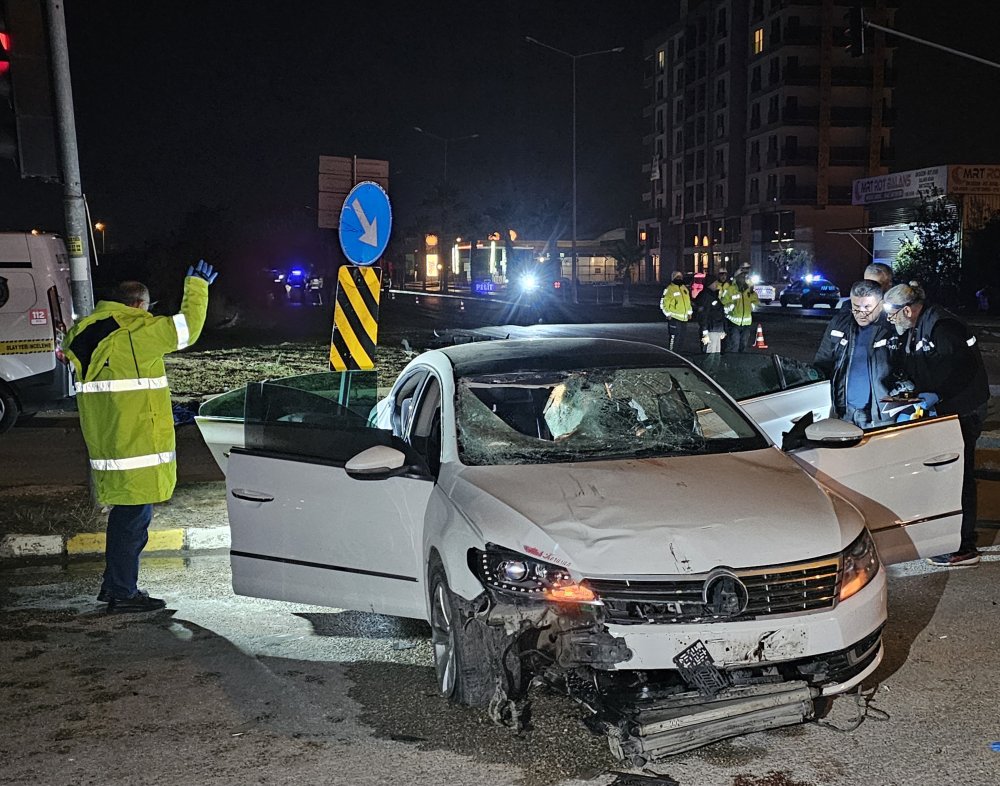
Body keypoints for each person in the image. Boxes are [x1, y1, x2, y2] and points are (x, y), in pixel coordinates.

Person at [64, 261, 217, 611]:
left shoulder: (85, 331)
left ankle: (117, 586)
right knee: (132, 522)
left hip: (110, 439)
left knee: (129, 517)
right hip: (136, 443)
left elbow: (125, 386)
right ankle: (121, 591)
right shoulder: (132, 331)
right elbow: (186, 330)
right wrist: (196, 286)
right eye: (147, 309)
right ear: (138, 305)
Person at [883, 283, 989, 567]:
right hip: (945, 409)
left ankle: (964, 547)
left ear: (907, 310)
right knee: (943, 476)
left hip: (962, 411)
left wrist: (937, 396)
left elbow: (961, 369)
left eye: (892, 315)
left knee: (958, 478)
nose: (890, 321)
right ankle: (949, 537)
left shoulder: (942, 327)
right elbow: (922, 365)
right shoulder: (920, 326)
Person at [813, 279, 894, 427]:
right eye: (856, 307)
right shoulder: (840, 324)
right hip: (844, 412)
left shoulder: (891, 329)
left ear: (881, 305)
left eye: (867, 307)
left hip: (879, 416)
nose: (861, 313)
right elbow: (823, 361)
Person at [721, 269, 759, 352]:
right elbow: (723, 302)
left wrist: (752, 305)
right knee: (734, 345)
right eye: (742, 276)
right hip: (734, 323)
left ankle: (741, 361)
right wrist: (731, 306)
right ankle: (733, 362)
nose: (744, 278)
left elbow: (756, 301)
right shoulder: (731, 289)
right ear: (737, 278)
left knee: (743, 345)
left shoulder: (749, 290)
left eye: (745, 276)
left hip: (746, 323)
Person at [659, 270, 693, 352]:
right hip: (674, 318)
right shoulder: (669, 289)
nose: (679, 278)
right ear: (673, 278)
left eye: (680, 277)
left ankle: (679, 354)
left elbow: (688, 302)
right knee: (674, 338)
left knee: (682, 337)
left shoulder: (684, 288)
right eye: (677, 277)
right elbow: (664, 303)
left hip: (684, 318)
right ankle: (672, 354)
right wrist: (667, 314)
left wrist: (689, 312)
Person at [694, 274, 727, 354]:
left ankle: (713, 366)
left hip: (716, 329)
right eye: (715, 283)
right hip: (710, 330)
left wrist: (722, 330)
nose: (717, 285)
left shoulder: (713, 295)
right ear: (710, 284)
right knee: (710, 354)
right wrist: (705, 332)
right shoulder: (706, 296)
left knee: (715, 354)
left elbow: (719, 313)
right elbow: (704, 315)